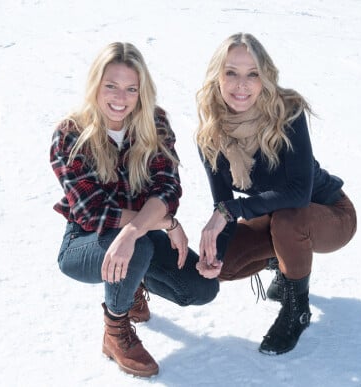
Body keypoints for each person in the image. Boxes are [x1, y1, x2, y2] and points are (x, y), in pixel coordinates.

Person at [50, 42, 219, 377]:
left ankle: (132, 279)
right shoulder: (70, 134)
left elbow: (167, 189)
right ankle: (115, 329)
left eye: (131, 89)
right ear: (95, 85)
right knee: (138, 245)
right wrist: (161, 224)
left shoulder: (154, 123)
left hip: (141, 231)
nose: (120, 97)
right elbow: (91, 212)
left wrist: (140, 227)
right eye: (111, 85)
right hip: (85, 242)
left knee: (200, 288)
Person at [195, 33, 357, 356]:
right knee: (223, 265)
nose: (242, 85)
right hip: (274, 218)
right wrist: (215, 252)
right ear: (217, 76)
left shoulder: (288, 114)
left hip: (331, 214)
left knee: (287, 220)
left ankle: (297, 310)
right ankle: (282, 261)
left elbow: (298, 194)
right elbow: (225, 205)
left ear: (264, 77)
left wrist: (230, 210)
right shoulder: (210, 137)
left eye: (252, 74)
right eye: (232, 73)